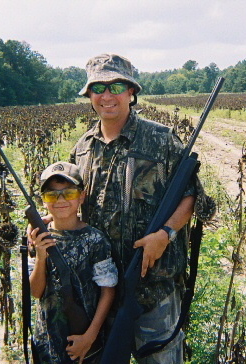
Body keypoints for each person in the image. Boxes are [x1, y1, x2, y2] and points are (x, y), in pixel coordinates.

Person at [68, 53, 215, 363]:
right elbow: (72, 203)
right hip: (101, 287)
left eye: (117, 86)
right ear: (89, 95)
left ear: (131, 91)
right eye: (98, 88)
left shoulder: (160, 139)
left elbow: (191, 195)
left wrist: (165, 233)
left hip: (154, 287)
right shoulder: (82, 148)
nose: (107, 96)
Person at [28, 161, 118, 364]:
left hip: (84, 344)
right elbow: (35, 292)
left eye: (68, 193)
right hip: (47, 343)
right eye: (52, 195)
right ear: (43, 201)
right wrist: (41, 256)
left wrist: (90, 337)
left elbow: (108, 291)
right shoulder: (38, 237)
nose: (60, 200)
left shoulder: (95, 239)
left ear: (81, 196)